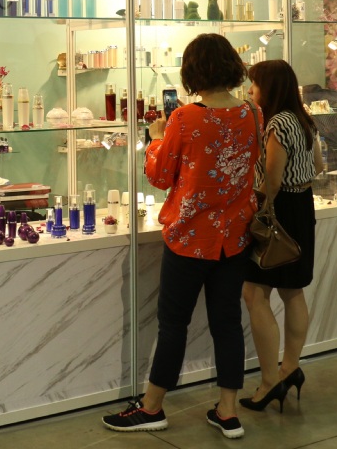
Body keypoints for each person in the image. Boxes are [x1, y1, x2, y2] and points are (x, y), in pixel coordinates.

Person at [103, 33, 259, 439]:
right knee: (228, 323)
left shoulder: (185, 118)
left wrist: (155, 139)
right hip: (234, 237)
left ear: (192, 72)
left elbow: (159, 176)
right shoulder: (252, 113)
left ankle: (152, 407)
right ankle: (228, 411)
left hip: (190, 238)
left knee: (173, 324)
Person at [240, 60, 324, 413]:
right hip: (301, 206)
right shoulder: (303, 119)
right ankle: (290, 367)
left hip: (279, 212)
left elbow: (272, 182)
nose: (250, 91)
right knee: (293, 291)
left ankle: (270, 380)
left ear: (270, 88)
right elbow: (319, 166)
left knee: (254, 292)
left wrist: (254, 210)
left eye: (255, 84)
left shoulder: (276, 123)